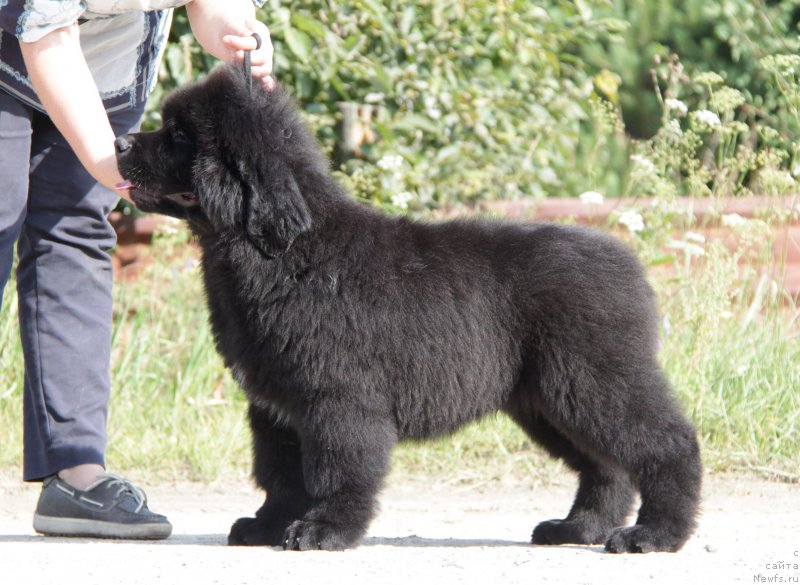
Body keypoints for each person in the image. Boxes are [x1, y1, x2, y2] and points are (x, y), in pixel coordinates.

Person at [0, 0, 274, 539]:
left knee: (76, 230)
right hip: (23, 45)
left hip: (108, 66)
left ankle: (76, 474)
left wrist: (235, 36)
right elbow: (44, 31)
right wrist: (115, 166)